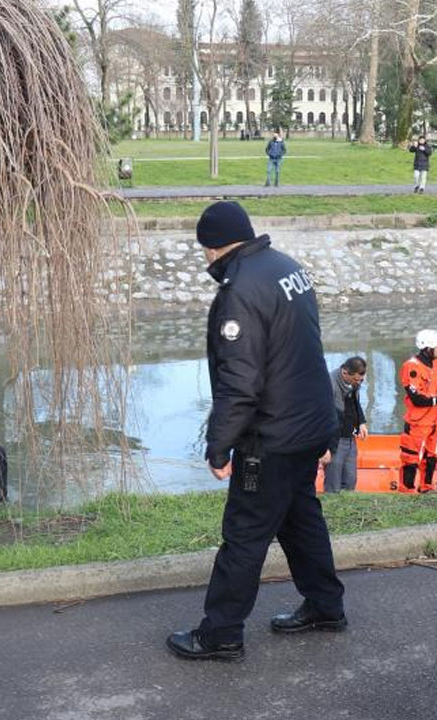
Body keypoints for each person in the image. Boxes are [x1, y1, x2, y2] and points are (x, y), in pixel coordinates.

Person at [167, 201, 345, 662]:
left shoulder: (239, 290)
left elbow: (240, 383)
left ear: (211, 247)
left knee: (244, 533)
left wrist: (219, 445)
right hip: (310, 424)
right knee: (301, 519)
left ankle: (221, 633)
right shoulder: (285, 267)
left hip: (271, 436)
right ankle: (326, 606)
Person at [398, 331, 437, 493]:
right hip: (417, 422)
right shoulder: (411, 367)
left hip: (434, 421)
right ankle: (407, 490)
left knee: (431, 457)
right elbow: (418, 399)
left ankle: (426, 487)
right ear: (427, 348)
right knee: (411, 458)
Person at [324, 357, 367, 493]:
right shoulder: (329, 385)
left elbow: (355, 403)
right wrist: (325, 448)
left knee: (350, 480)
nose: (358, 383)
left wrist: (361, 422)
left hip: (350, 438)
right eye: (356, 380)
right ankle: (332, 509)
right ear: (345, 372)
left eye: (361, 380)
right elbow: (323, 417)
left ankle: (348, 509)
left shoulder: (353, 384)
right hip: (335, 441)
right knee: (333, 484)